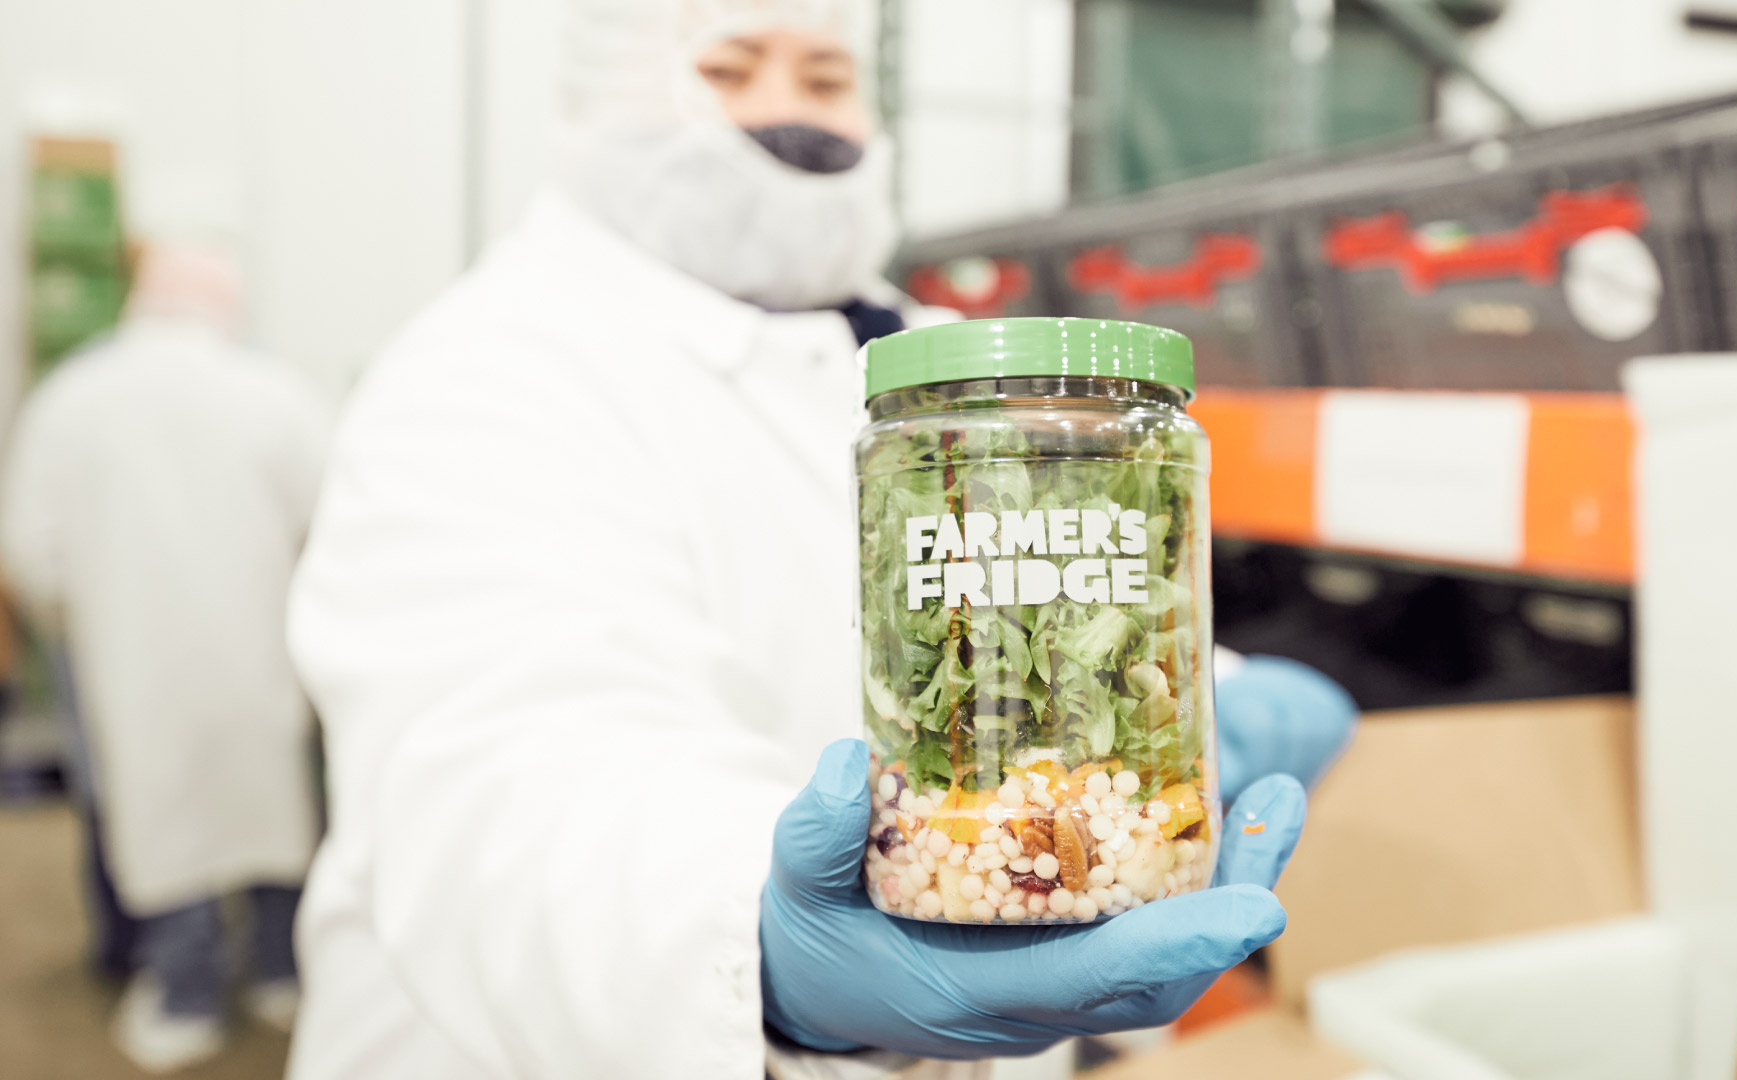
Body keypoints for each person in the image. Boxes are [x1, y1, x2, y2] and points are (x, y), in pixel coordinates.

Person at [283, 2, 1356, 1077]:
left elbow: (1051, 598)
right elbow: (507, 762)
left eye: (827, 78)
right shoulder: (483, 373)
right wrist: (758, 953)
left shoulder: (929, 359)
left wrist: (1213, 699)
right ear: (607, 104)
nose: (789, 114)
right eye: (730, 69)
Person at [0, 237, 332, 1072]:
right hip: (261, 652)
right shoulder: (279, 394)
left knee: (161, 815)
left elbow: (31, 550)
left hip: (128, 661)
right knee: (272, 806)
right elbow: (330, 528)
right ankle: (281, 972)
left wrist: (80, 627)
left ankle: (186, 992)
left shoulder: (71, 398)